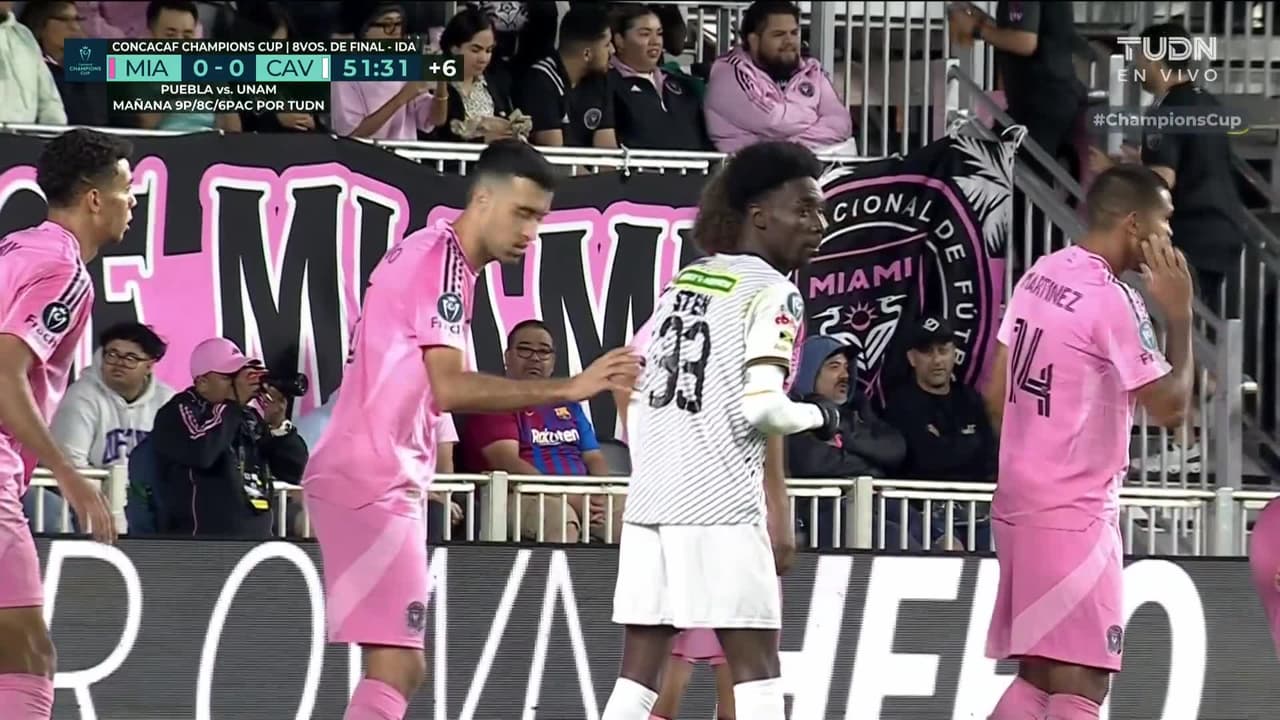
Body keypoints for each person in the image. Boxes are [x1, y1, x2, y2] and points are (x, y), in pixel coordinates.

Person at [301, 138, 640, 720]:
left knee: (396, 665)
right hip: (372, 478)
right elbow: (449, 388)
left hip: (372, 472)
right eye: (522, 213)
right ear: (482, 199)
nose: (530, 232)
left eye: (539, 218)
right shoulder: (443, 262)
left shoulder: (431, 252)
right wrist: (569, 388)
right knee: (398, 666)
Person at [601, 141, 838, 720]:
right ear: (759, 216)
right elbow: (764, 410)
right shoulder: (775, 292)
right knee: (756, 671)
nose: (818, 224)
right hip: (722, 503)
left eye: (820, 210)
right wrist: (823, 415)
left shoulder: (687, 281)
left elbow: (634, 380)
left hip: (652, 502)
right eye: (803, 209)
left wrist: (661, 458)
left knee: (638, 676)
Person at [981, 164, 1195, 720]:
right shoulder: (1112, 299)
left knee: (1039, 676)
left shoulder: (1040, 274)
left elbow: (995, 393)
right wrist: (1179, 315)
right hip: (1074, 514)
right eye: (1166, 221)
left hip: (1019, 505)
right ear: (1134, 223)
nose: (1171, 235)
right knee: (1083, 681)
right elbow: (1172, 409)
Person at [0, 127, 134, 719]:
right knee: (29, 656)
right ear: (95, 198)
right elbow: (4, 373)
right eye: (127, 190)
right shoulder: (65, 272)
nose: (133, 202)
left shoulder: (14, 249)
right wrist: (69, 475)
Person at [147, 337, 308, 538]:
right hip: (202, 544)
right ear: (202, 383)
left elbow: (295, 471)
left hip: (257, 542)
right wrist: (231, 404)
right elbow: (201, 453)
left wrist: (278, 425)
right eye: (229, 377)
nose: (238, 383)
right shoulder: (179, 410)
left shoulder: (247, 416)